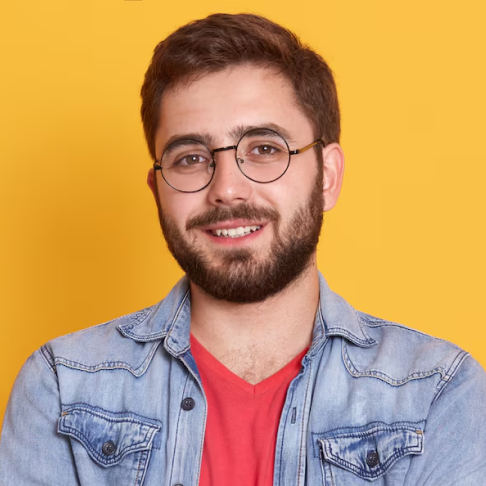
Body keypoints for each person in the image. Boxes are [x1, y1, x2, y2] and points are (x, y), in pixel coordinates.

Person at [1, 12, 485, 486]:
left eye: (264, 149)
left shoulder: (436, 393)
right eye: (191, 158)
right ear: (157, 191)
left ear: (327, 177)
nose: (227, 190)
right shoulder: (62, 386)